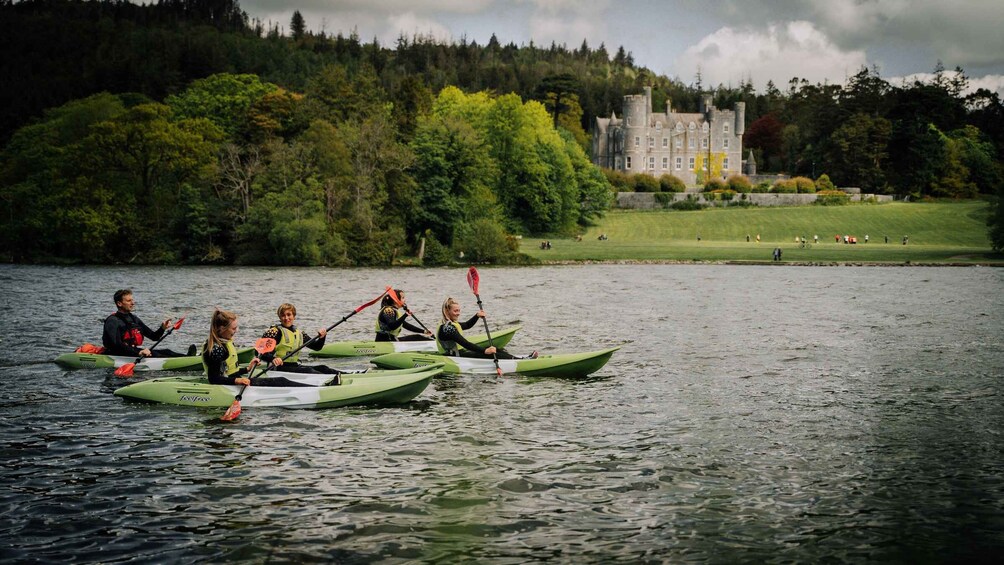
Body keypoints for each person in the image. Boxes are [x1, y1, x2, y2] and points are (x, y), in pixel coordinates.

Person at [202, 309, 332, 387]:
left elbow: (228, 371)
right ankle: (318, 389)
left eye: (289, 315)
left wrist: (246, 369)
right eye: (234, 328)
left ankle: (320, 386)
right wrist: (238, 380)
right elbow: (214, 379)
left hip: (232, 382)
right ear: (221, 329)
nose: (236, 331)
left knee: (320, 368)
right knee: (281, 381)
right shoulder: (216, 349)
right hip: (228, 386)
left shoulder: (226, 342)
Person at [437, 297, 537, 359]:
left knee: (495, 349)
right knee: (489, 352)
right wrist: (485, 351)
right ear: (447, 310)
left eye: (459, 310)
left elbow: (467, 325)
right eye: (455, 311)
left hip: (459, 354)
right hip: (454, 357)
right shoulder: (447, 329)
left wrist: (477, 316)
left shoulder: (452, 324)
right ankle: (520, 361)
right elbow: (465, 344)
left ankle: (519, 358)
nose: (458, 313)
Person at [102, 289, 190, 358]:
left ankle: (189, 357)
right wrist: (139, 352)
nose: (133, 303)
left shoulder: (134, 319)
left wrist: (162, 328)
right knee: (156, 355)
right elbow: (115, 345)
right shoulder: (112, 321)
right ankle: (187, 361)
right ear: (119, 303)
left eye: (132, 300)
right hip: (116, 354)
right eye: (129, 301)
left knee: (167, 351)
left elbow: (154, 337)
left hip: (131, 352)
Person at [258, 303, 340, 374]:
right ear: (279, 317)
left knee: (323, 368)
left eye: (289, 315)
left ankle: (346, 375)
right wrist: (273, 359)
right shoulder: (273, 332)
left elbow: (317, 347)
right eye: (283, 315)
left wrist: (322, 337)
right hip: (278, 368)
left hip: (294, 366)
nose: (286, 318)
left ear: (294, 316)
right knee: (309, 371)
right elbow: (259, 352)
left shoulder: (299, 333)